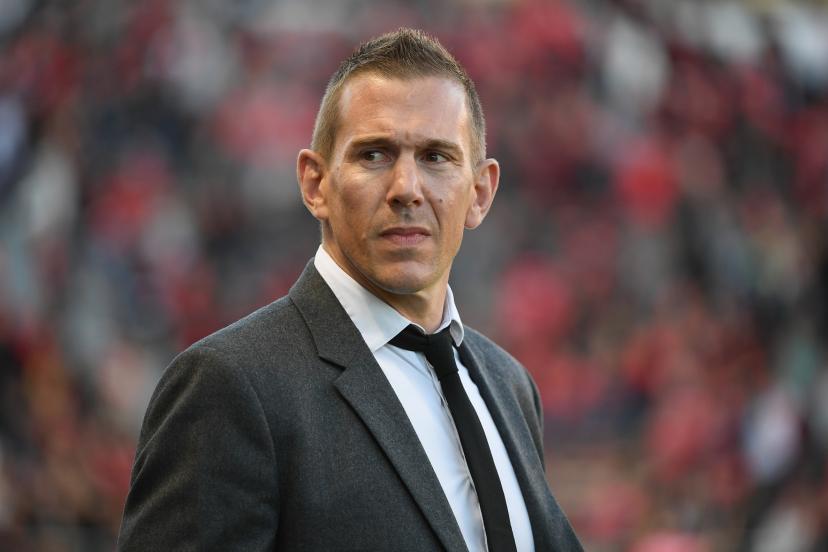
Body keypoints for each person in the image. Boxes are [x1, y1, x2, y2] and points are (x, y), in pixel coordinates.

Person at [117, 28, 582, 552]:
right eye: (375, 155)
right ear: (315, 183)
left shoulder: (510, 386)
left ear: (479, 193)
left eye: (435, 157)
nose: (407, 189)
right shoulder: (230, 385)